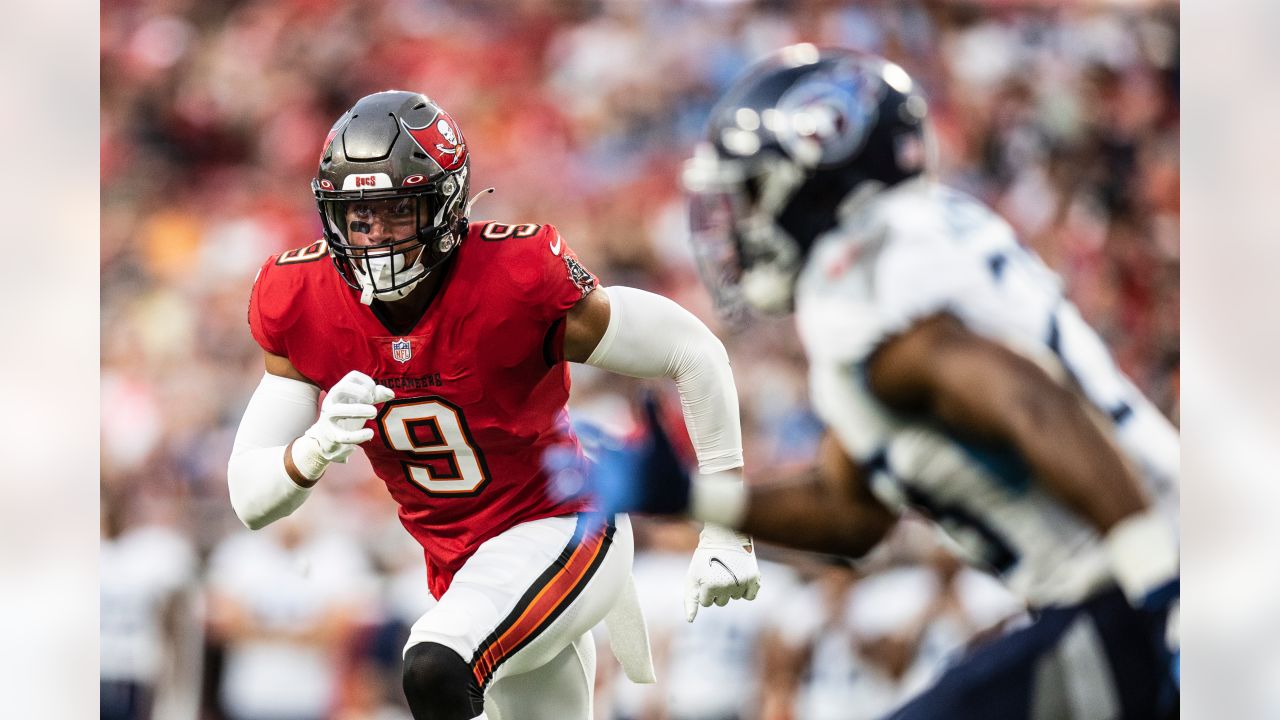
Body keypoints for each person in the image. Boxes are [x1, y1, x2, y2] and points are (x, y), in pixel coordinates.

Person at [590, 45, 1180, 719]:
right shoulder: (910, 243)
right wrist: (692, 496)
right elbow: (852, 513)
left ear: (816, 176)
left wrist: (1157, 575)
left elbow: (1027, 396)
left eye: (752, 192)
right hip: (1129, 583)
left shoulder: (861, 280)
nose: (740, 223)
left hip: (1142, 586)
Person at [225, 90, 761, 720]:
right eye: (358, 216)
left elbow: (693, 352)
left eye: (398, 211)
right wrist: (313, 448)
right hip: (462, 563)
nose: (375, 237)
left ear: (446, 203)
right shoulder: (299, 296)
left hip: (563, 522)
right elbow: (249, 499)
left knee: (434, 661)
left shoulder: (515, 276)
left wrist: (728, 526)